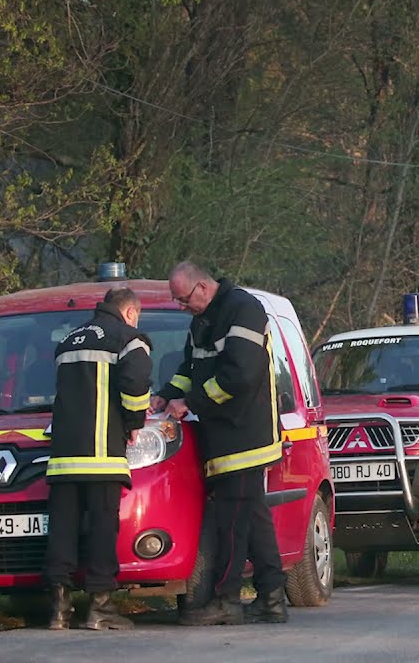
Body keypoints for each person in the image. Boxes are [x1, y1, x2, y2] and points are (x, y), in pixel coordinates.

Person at [152, 262, 286, 625]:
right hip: (224, 436)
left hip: (244, 436)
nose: (182, 307)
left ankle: (226, 599)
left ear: (201, 288)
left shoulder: (243, 309)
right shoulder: (203, 319)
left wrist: (190, 402)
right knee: (254, 518)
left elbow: (240, 375)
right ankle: (272, 597)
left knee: (231, 522)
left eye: (183, 299)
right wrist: (166, 395)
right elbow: (190, 368)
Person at [45, 288, 152, 631]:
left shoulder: (69, 341)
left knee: (63, 530)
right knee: (102, 530)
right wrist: (134, 424)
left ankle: (59, 609)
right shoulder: (128, 339)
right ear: (130, 312)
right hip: (103, 455)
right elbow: (135, 386)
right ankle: (100, 607)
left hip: (63, 458)